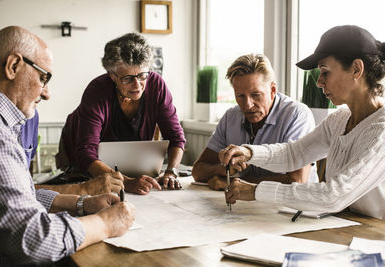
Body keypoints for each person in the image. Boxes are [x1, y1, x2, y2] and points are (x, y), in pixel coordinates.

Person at [0, 26, 135, 266]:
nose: (47, 94)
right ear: (13, 66)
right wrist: (105, 224)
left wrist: (82, 204)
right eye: (44, 78)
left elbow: (17, 195)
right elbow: (34, 241)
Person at [219, 25, 385, 220]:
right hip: (347, 226)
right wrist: (249, 153)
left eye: (325, 72)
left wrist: (256, 191)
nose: (319, 82)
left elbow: (333, 196)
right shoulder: (339, 120)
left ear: (356, 69)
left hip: (376, 236)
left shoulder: (380, 130)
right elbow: (295, 153)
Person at [45, 32, 186, 196]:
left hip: (123, 165)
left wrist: (171, 171)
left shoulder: (157, 86)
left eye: (142, 76)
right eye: (127, 78)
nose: (137, 85)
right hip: (76, 154)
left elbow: (176, 137)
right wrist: (126, 182)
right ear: (112, 75)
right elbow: (85, 153)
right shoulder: (96, 91)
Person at [192, 53, 318, 190]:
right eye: (240, 96)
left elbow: (297, 181)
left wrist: (235, 183)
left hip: (291, 208)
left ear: (273, 90)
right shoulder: (230, 117)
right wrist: (225, 170)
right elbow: (198, 171)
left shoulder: (297, 115)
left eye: (255, 95)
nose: (247, 105)